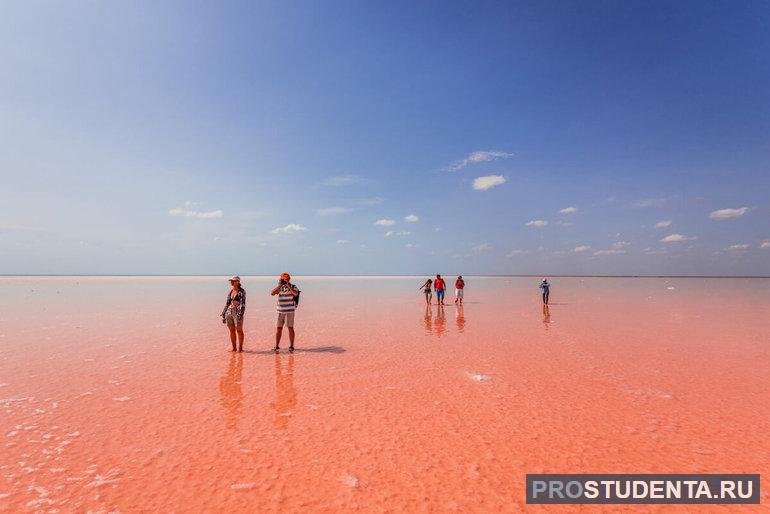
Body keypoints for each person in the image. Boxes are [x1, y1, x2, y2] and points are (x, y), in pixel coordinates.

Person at [271, 272, 299, 352]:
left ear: (289, 279)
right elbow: (272, 293)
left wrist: (288, 285)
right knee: (278, 329)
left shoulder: (293, 286)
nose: (284, 280)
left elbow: (295, 294)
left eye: (286, 279)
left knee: (290, 328)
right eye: (283, 279)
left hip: (290, 311)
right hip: (280, 310)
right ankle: (276, 346)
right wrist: (280, 285)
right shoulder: (279, 287)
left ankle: (291, 346)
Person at [221, 275, 246, 352]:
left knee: (239, 330)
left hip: (237, 312)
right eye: (231, 281)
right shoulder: (231, 292)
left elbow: (242, 304)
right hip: (229, 311)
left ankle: (240, 348)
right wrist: (223, 314)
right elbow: (227, 303)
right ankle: (234, 348)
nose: (231, 282)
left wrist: (240, 314)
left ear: (238, 282)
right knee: (231, 330)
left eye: (233, 281)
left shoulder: (241, 291)